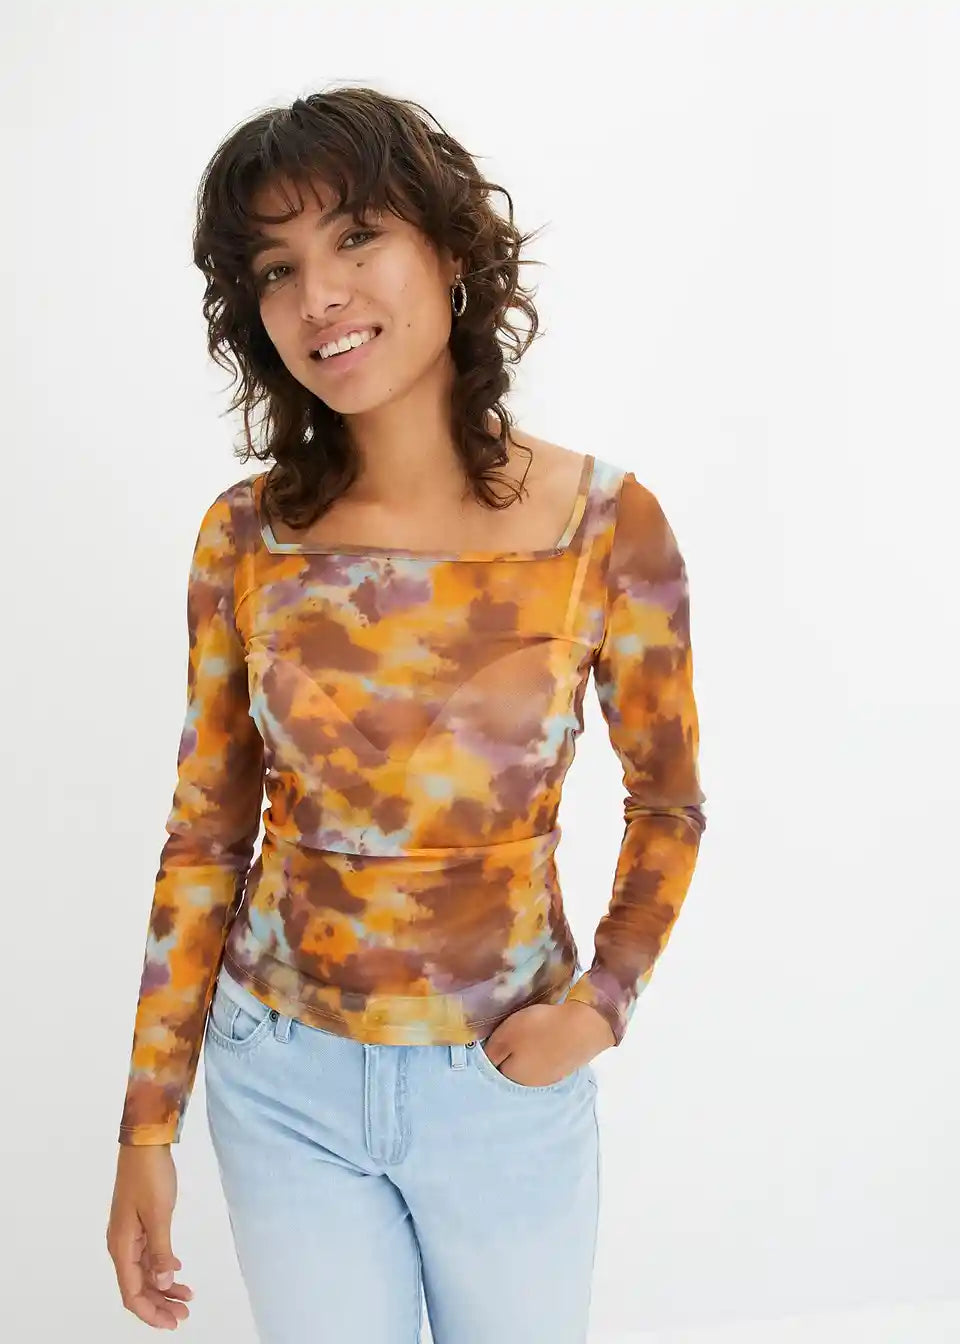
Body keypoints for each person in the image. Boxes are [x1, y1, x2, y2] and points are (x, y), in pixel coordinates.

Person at [106, 85, 707, 1343]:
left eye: (356, 236)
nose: (318, 295)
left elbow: (667, 804)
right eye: (277, 269)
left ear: (450, 250)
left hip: (502, 1076)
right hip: (281, 1079)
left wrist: (598, 1009)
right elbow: (206, 838)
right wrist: (146, 1125)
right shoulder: (245, 537)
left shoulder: (605, 525)